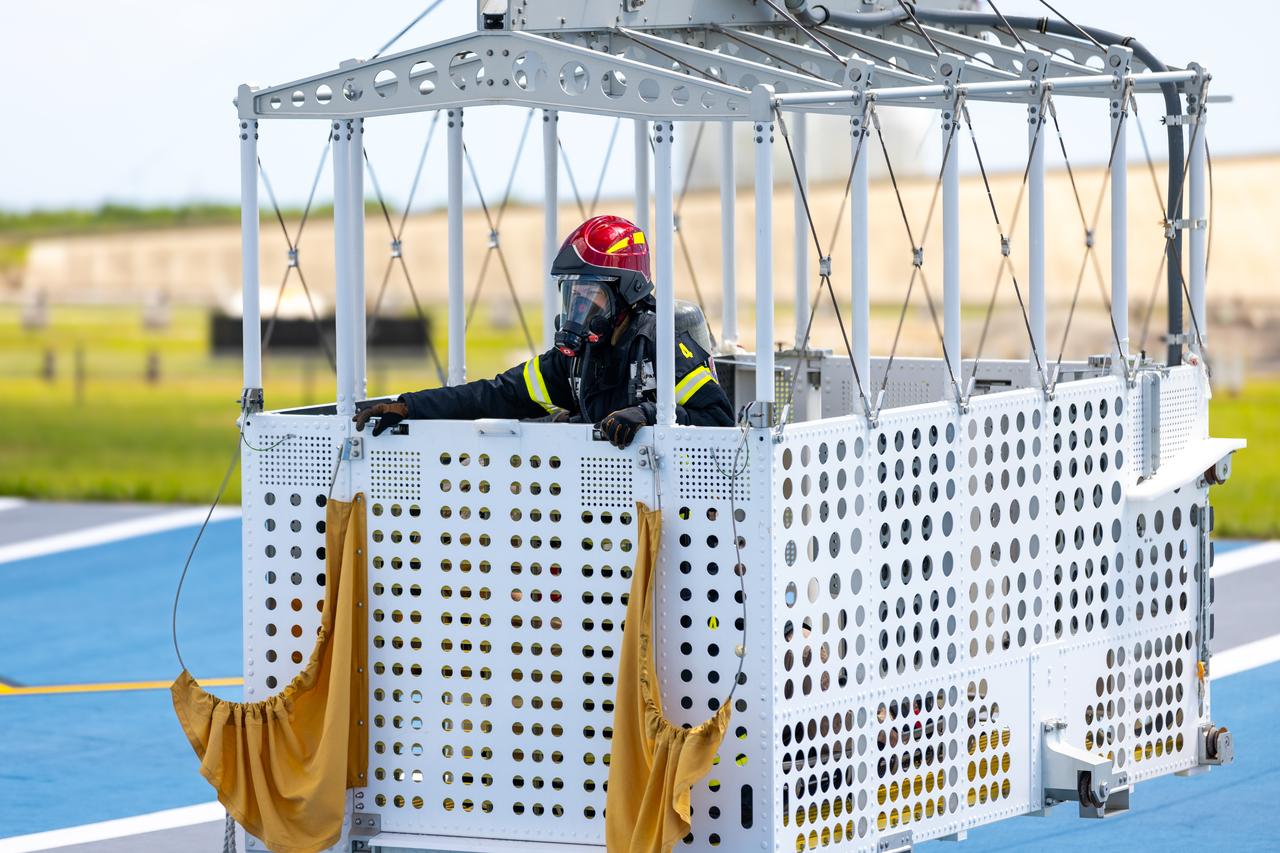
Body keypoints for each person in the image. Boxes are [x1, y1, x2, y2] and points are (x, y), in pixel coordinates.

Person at [353, 215, 735, 447]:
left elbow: (718, 419)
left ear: (626, 292)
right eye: (574, 296)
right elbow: (495, 395)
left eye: (592, 296)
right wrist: (411, 406)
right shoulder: (577, 362)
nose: (579, 311)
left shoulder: (661, 345)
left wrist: (648, 414)